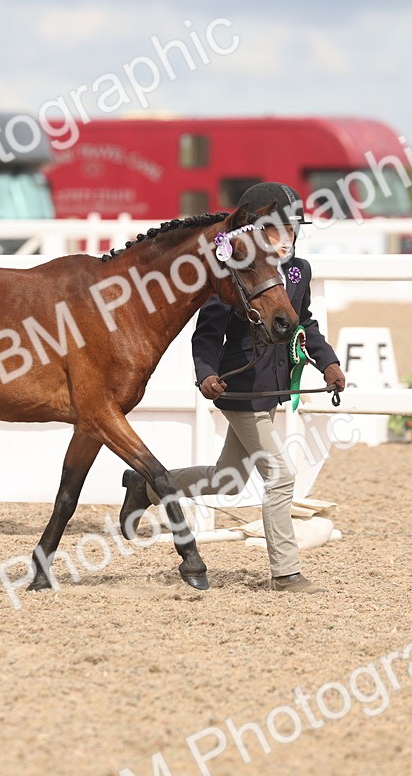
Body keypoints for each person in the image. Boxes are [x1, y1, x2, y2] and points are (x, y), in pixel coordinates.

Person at [118, 183, 345, 594]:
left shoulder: (299, 272)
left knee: (229, 480)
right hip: (240, 387)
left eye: (291, 230)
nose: (286, 239)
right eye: (276, 231)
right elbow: (207, 333)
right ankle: (286, 571)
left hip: (272, 389)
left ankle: (147, 486)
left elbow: (303, 322)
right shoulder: (236, 272)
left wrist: (326, 361)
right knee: (279, 475)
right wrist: (204, 372)